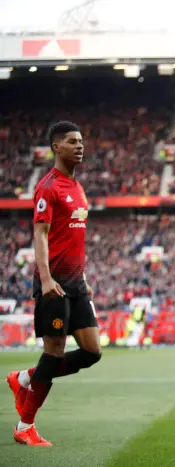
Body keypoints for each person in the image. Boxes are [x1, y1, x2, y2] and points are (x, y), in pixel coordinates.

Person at [5, 121, 102, 446]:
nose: (79, 146)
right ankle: (24, 427)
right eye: (72, 141)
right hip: (54, 285)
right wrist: (45, 278)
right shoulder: (48, 187)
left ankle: (25, 379)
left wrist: (84, 279)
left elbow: (75, 239)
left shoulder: (78, 188)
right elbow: (41, 235)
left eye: (81, 141)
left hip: (76, 284)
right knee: (54, 351)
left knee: (91, 352)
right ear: (56, 147)